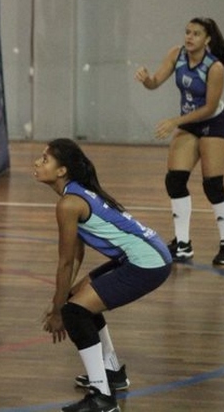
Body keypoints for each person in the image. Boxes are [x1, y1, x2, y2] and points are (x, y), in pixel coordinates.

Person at [35, 138, 171, 412]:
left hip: (146, 262)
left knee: (75, 312)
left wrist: (59, 309)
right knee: (78, 300)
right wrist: (64, 297)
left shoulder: (69, 204)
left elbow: (64, 263)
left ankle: (102, 397)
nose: (37, 163)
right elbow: (76, 255)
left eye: (45, 159)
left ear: (62, 171)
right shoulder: (76, 193)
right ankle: (111, 374)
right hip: (148, 255)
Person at [135, 17, 224, 266]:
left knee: (213, 185)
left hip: (212, 122)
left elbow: (210, 106)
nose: (189, 37)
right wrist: (147, 79)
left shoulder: (214, 68)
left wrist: (175, 121)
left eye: (196, 34)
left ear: (207, 39)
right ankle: (183, 244)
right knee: (175, 179)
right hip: (187, 123)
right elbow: (156, 82)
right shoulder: (176, 55)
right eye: (187, 32)